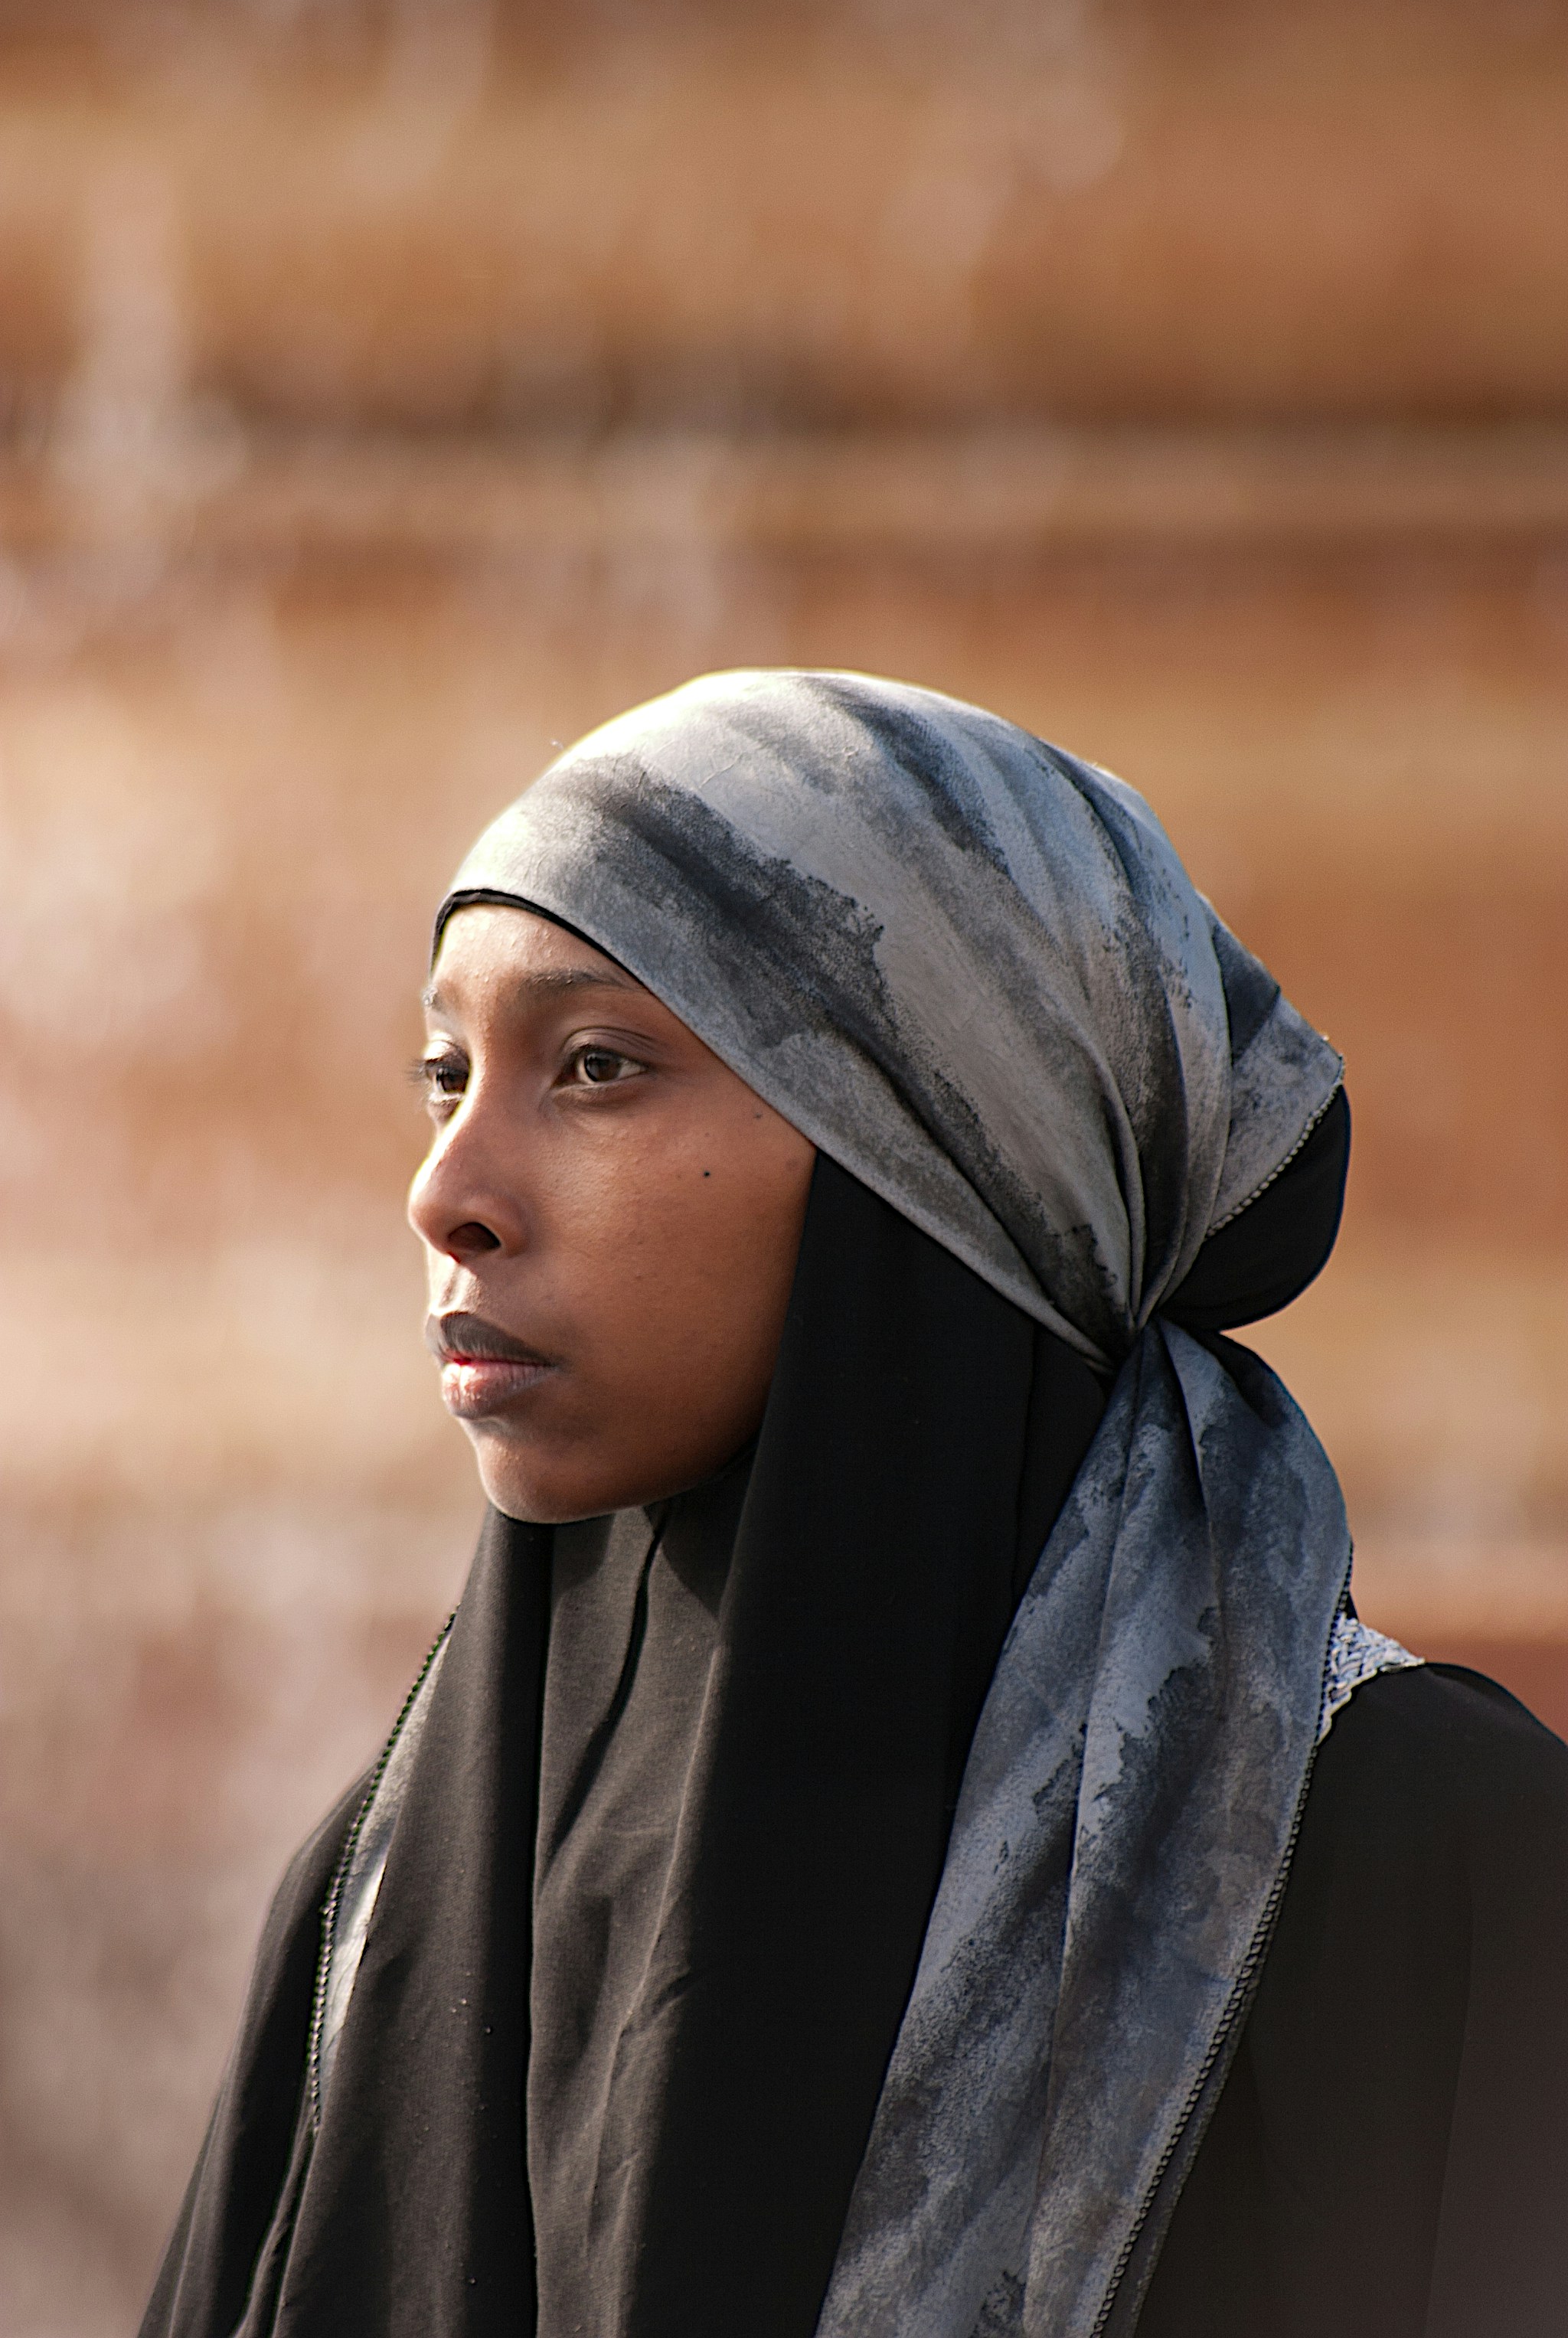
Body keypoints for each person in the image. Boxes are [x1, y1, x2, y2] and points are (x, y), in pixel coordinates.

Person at [140, 671, 1568, 2338]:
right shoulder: (385, 1902)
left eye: (596, 1066)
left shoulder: (1426, 1863)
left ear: (951, 1152)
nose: (444, 1192)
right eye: (444, 1073)